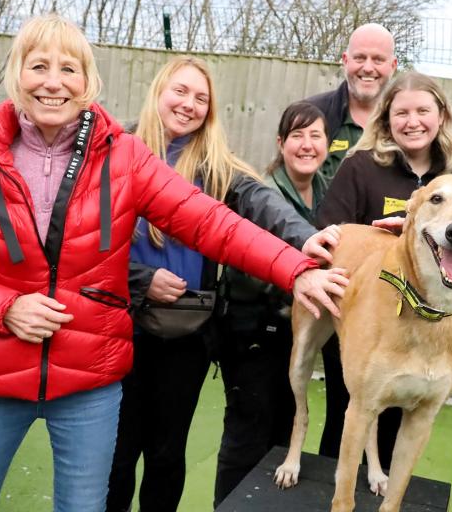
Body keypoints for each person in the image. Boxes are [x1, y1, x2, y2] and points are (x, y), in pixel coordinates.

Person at [0, 15, 347, 512]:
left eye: (69, 69)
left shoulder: (122, 156)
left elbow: (211, 224)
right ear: (16, 74)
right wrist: (4, 306)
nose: (54, 82)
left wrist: (294, 266)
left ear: (89, 82)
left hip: (89, 380)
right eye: (39, 66)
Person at [103, 57, 336, 511]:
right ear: (158, 92)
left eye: (201, 98)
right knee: (117, 455)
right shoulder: (117, 151)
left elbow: (263, 201)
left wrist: (306, 238)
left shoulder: (214, 165)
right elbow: (83, 241)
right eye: (180, 91)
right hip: (120, 325)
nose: (189, 105)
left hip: (186, 332)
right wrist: (140, 280)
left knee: (167, 454)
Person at [316, 70, 452, 469]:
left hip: (424, 336)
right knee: (345, 418)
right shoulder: (359, 168)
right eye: (401, 112)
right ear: (385, 119)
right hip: (360, 326)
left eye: (422, 111)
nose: (412, 121)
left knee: (399, 426)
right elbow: (330, 238)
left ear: (441, 116)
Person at [210, 100, 332, 506]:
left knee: (285, 429)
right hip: (253, 328)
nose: (307, 144)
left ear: (328, 145)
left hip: (298, 333)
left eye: (315, 135)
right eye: (297, 135)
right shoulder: (261, 192)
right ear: (281, 143)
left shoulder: (329, 195)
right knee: (248, 431)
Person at [305, 23, 398, 180]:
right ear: (345, 60)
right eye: (360, 58)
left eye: (378, 60)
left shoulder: (407, 125)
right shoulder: (310, 114)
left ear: (393, 65)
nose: (368, 68)